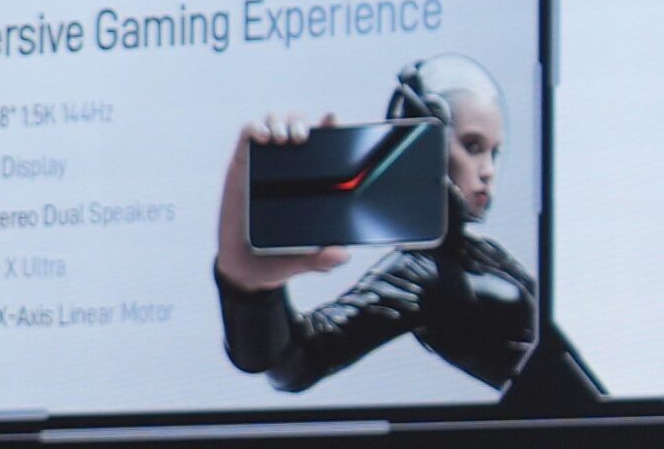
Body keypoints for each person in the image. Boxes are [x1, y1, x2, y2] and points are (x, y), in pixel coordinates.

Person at [215, 54, 535, 391]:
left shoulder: (485, 254)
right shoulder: (419, 271)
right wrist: (249, 291)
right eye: (472, 146)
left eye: (493, 152)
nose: (488, 171)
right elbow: (297, 361)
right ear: (423, 141)